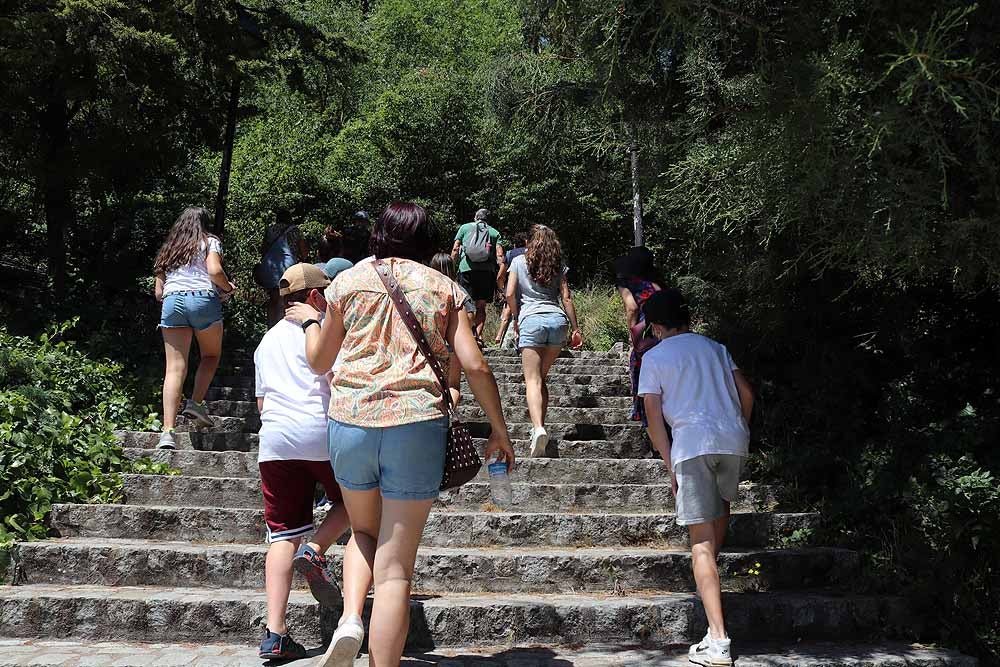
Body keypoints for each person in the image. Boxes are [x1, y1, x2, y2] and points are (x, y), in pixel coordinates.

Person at [286, 202, 514, 667]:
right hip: (416, 425)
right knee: (394, 572)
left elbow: (320, 362)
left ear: (379, 235)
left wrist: (311, 323)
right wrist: (499, 430)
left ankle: (350, 621)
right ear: (428, 240)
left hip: (351, 422)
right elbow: (474, 364)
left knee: (362, 531)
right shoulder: (445, 288)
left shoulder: (346, 283)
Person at [636, 289, 754, 667]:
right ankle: (711, 626)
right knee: (720, 519)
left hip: (692, 443)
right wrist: (740, 430)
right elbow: (747, 394)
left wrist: (669, 464)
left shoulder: (653, 357)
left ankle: (718, 640)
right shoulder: (716, 348)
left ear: (654, 326)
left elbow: (654, 419)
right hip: (732, 440)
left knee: (700, 545)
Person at [254, 263, 352, 660]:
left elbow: (261, 403)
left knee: (281, 534)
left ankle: (275, 633)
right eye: (326, 294)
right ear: (313, 298)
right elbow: (336, 382)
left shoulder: (264, 342)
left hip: (274, 440)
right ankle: (315, 549)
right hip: (320, 432)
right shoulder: (324, 332)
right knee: (359, 502)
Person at [153, 206, 236, 450]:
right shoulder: (210, 241)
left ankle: (167, 433)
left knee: (175, 368)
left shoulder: (167, 250)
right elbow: (214, 271)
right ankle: (195, 402)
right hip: (202, 298)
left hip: (172, 301)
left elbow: (159, 292)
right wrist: (229, 288)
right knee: (210, 355)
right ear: (205, 224)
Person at [505, 224, 581, 458]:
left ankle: (538, 428)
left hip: (531, 320)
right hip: (557, 322)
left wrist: (517, 318)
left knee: (532, 380)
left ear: (530, 242)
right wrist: (576, 329)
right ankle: (539, 427)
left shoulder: (518, 262)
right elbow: (566, 298)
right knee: (541, 378)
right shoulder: (558, 266)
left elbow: (509, 293)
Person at [615, 246, 666, 425]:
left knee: (642, 373)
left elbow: (632, 307)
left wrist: (632, 335)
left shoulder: (627, 281)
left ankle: (647, 420)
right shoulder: (658, 282)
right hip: (666, 331)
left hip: (646, 333)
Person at [451, 208, 504, 343]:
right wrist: (501, 274)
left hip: (466, 270)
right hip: (486, 272)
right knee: (481, 306)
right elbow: (499, 255)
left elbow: (456, 248)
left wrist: (452, 267)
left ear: (476, 217)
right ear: (488, 219)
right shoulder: (494, 232)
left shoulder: (464, 228)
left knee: (466, 305)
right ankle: (479, 337)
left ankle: (468, 336)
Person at [430, 251, 475, 406]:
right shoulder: (457, 289)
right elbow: (470, 314)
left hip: (431, 345)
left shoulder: (426, 289)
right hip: (453, 346)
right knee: (453, 384)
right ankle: (449, 416)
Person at [259, 210, 308, 327]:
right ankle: (281, 328)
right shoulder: (295, 230)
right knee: (283, 299)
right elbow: (304, 252)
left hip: (270, 268)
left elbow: (263, 250)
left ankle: (270, 328)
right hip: (287, 268)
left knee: (272, 298)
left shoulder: (270, 230)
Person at [494, 231, 528, 348]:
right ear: (527, 242)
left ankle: (499, 336)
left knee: (508, 311)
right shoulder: (532, 254)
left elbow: (500, 276)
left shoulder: (509, 254)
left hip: (512, 287)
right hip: (527, 289)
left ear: (515, 244)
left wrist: (502, 289)